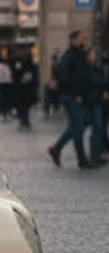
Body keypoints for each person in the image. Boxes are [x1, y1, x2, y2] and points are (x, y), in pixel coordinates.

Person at [48, 31, 94, 168]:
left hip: (77, 96)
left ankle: (57, 148)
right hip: (71, 96)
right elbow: (66, 77)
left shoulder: (79, 54)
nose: (83, 41)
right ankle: (82, 160)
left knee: (80, 124)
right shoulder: (69, 56)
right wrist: (75, 94)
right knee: (78, 126)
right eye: (81, 39)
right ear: (73, 40)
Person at [84, 49, 106, 165]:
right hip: (89, 101)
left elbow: (104, 81)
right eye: (92, 54)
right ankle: (94, 155)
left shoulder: (98, 68)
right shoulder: (85, 68)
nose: (94, 56)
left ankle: (97, 154)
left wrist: (105, 91)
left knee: (99, 127)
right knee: (93, 127)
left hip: (98, 101)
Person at [11, 50, 38, 131]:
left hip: (22, 89)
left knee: (22, 106)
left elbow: (16, 76)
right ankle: (25, 120)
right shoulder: (27, 65)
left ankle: (24, 120)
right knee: (25, 106)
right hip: (26, 89)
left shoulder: (20, 64)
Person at [0, 56, 13, 122]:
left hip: (2, 85)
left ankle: (5, 114)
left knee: (3, 99)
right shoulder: (5, 67)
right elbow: (9, 75)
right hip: (6, 84)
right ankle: (7, 113)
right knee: (6, 100)